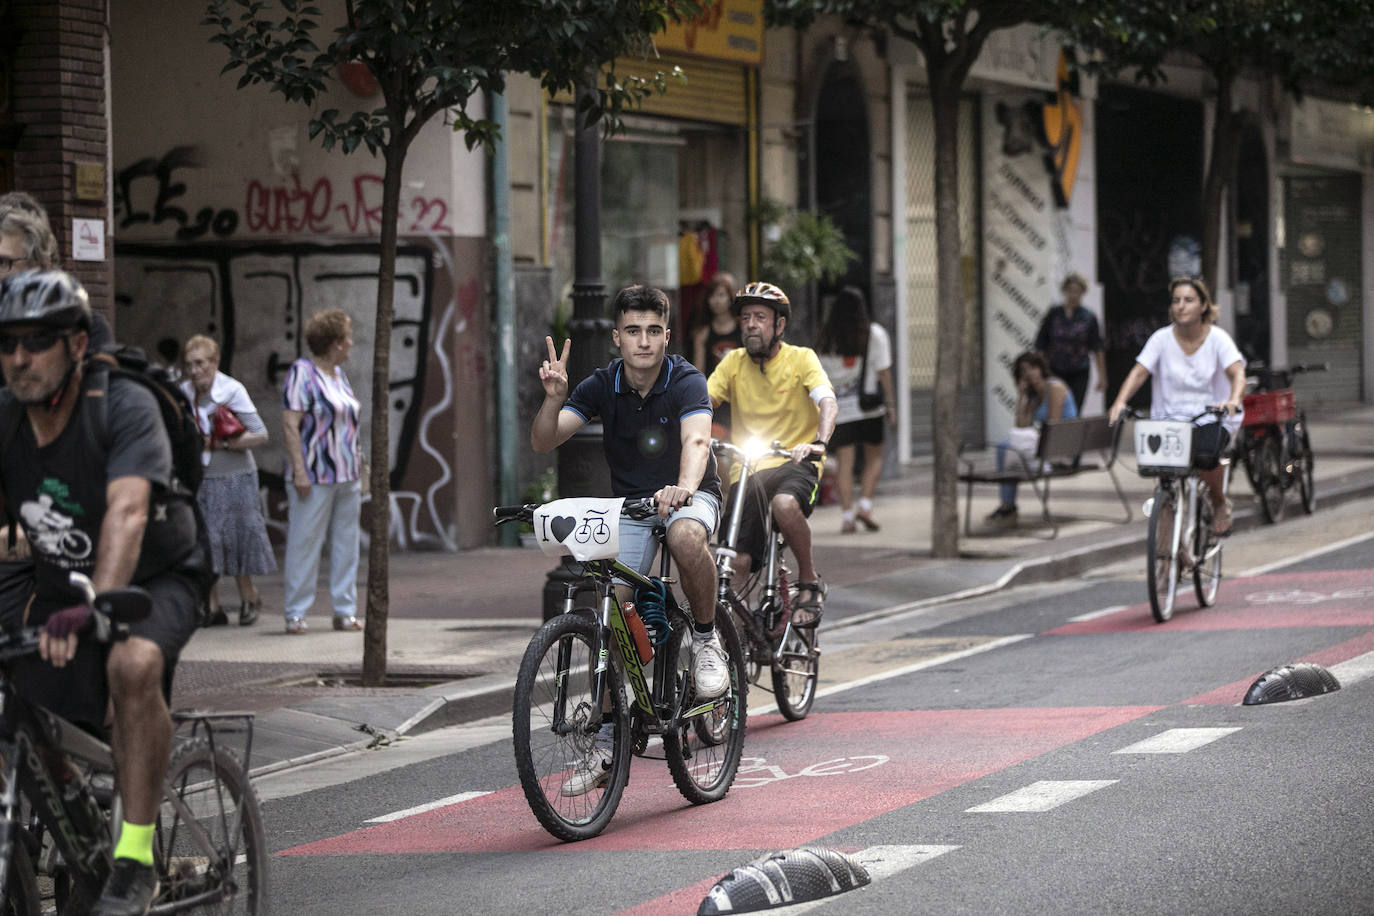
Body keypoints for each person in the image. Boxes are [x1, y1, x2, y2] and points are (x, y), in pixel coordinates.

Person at [0, 269, 208, 914]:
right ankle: (71, 808)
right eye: (6, 342)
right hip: (59, 580)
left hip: (154, 576)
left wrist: (94, 609)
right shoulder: (6, 417)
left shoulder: (121, 405)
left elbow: (127, 514)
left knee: (132, 662)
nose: (19, 357)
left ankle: (137, 858)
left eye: (38, 341)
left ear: (79, 344)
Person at [532, 284, 727, 796]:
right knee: (615, 609)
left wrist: (682, 489)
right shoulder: (601, 385)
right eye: (633, 332)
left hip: (690, 492)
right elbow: (544, 439)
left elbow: (698, 440)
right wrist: (553, 401)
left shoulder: (685, 379)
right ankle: (608, 739)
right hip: (634, 508)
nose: (644, 342)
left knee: (686, 539)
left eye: (654, 331)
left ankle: (705, 642)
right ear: (617, 337)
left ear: (667, 335)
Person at [707, 281, 837, 619]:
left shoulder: (801, 359)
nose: (751, 324)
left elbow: (827, 401)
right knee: (736, 560)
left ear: (779, 325)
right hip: (749, 467)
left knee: (784, 505)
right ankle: (738, 637)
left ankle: (808, 579)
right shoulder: (732, 362)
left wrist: (819, 443)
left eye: (760, 317)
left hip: (797, 461)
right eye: (746, 317)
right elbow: (703, 403)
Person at [1108, 276, 1245, 536]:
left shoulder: (1218, 338)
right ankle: (1167, 555)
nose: (1181, 306)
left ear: (1204, 306)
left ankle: (1218, 501)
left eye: (1189, 300)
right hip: (1170, 419)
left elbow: (1237, 373)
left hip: (1210, 416)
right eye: (1176, 301)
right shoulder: (1161, 339)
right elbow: (1140, 372)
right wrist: (1119, 402)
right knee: (1164, 477)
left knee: (1206, 456)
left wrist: (1233, 401)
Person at [180, 335, 276, 627]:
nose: (194, 371)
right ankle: (212, 605)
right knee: (207, 541)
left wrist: (220, 444)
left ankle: (249, 596)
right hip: (201, 478)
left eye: (200, 364)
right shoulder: (182, 392)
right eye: (189, 365)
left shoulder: (231, 390)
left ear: (214, 362)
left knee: (237, 539)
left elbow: (260, 434)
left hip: (235, 476)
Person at [280, 309, 363, 634]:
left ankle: (344, 610)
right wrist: (299, 471)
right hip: (314, 474)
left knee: (346, 543)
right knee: (305, 541)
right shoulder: (303, 372)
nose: (350, 343)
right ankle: (295, 612)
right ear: (333, 344)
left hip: (348, 473)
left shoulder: (338, 375)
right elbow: (290, 422)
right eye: (346, 339)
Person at [815, 286, 895, 534]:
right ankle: (866, 505)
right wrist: (891, 404)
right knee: (875, 458)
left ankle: (848, 516)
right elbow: (883, 372)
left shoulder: (826, 338)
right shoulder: (874, 334)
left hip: (841, 410)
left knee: (844, 464)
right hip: (869, 408)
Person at [986, 351, 1078, 528]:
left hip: (1061, 450)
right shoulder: (1033, 395)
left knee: (1008, 451)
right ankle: (1008, 506)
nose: (1029, 374)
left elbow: (1053, 424)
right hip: (1045, 447)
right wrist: (1022, 397)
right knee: (1005, 448)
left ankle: (1008, 507)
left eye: (1033, 368)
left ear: (1041, 368)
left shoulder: (1054, 387)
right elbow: (1020, 427)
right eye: (1024, 371)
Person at [1035, 272, 1105, 413]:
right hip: (1054, 369)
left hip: (1079, 370)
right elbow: (1041, 343)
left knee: (1073, 409)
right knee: (1054, 408)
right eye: (1070, 291)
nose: (1073, 295)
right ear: (1064, 291)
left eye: (1077, 292)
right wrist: (1042, 371)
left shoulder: (1088, 317)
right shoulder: (1054, 314)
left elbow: (1097, 347)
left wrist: (1102, 376)